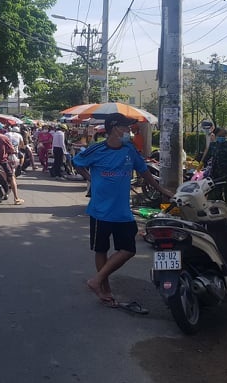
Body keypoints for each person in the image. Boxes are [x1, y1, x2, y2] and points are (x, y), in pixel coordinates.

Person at [73, 114, 170, 307]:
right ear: (115, 128)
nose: (129, 131)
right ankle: (105, 290)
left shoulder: (129, 150)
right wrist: (89, 178)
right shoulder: (97, 149)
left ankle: (97, 280)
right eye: (126, 127)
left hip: (123, 211)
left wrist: (161, 190)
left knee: (128, 249)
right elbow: (77, 162)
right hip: (100, 211)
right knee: (101, 249)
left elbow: (144, 171)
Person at [202, 127, 227, 206]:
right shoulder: (213, 145)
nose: (222, 137)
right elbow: (207, 156)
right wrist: (202, 165)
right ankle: (217, 208)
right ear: (216, 135)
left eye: (224, 135)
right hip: (216, 173)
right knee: (215, 193)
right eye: (220, 135)